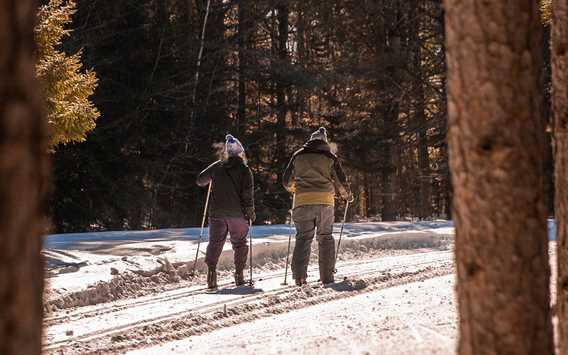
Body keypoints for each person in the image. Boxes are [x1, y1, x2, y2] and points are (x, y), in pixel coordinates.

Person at [282, 127, 351, 286]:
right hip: (324, 202)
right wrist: (347, 196)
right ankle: (327, 277)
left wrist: (295, 189)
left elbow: (286, 181)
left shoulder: (297, 155)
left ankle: (300, 277)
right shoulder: (330, 157)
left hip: (302, 202)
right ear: (324, 142)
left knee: (303, 238)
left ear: (311, 141)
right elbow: (340, 181)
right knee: (325, 238)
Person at [196, 134, 255, 290]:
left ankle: (211, 275)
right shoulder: (244, 170)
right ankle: (239, 275)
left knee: (215, 242)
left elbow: (200, 180)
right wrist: (250, 213)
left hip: (217, 214)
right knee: (240, 243)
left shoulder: (217, 166)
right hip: (238, 215)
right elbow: (247, 194)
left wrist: (214, 173)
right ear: (240, 152)